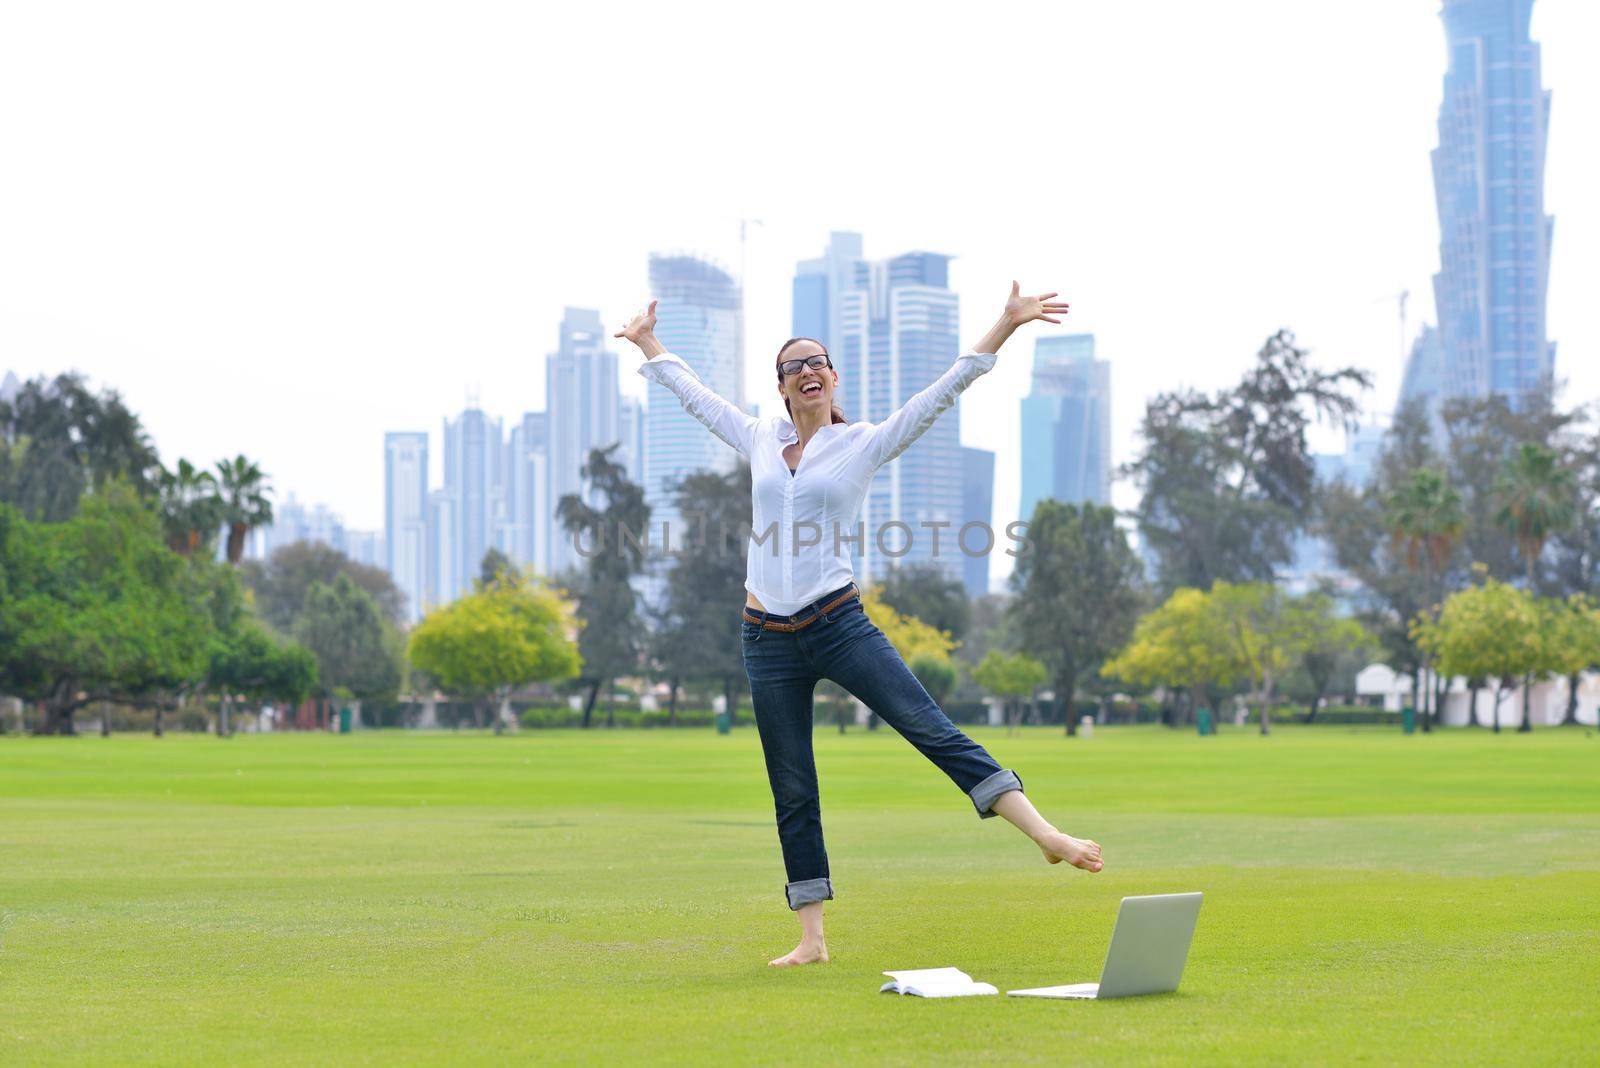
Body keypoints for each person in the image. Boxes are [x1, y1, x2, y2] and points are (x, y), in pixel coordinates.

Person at [622, 282, 1103, 967]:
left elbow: (942, 392)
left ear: (833, 377)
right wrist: (647, 342)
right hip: (765, 638)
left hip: (837, 623)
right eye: (794, 366)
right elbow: (698, 398)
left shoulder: (863, 444)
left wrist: (1005, 323)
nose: (808, 370)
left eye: (817, 361)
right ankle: (811, 940)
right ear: (782, 387)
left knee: (930, 729)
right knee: (792, 785)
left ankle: (1046, 836)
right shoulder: (759, 437)